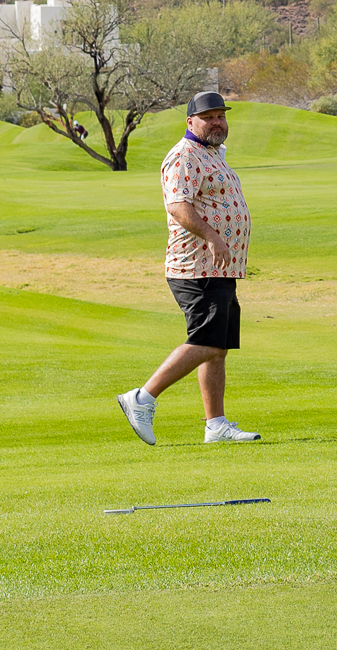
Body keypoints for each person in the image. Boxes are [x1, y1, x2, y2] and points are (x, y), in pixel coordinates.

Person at [116, 91, 260, 444]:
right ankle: (142, 398)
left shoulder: (211, 154)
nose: (216, 122)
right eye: (208, 117)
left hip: (219, 268)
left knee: (219, 347)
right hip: (196, 266)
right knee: (207, 342)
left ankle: (216, 425)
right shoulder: (183, 156)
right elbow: (178, 205)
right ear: (190, 121)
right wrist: (213, 237)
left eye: (221, 116)